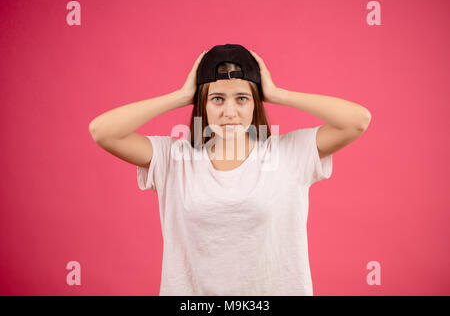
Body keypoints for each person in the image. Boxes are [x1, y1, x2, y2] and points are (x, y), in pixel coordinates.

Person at [89, 44, 371, 296]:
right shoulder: (174, 158)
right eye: (217, 99)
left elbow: (357, 121)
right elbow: (103, 132)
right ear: (203, 103)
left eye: (242, 98)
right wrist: (180, 96)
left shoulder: (287, 153)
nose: (230, 112)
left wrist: (277, 93)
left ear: (255, 102)